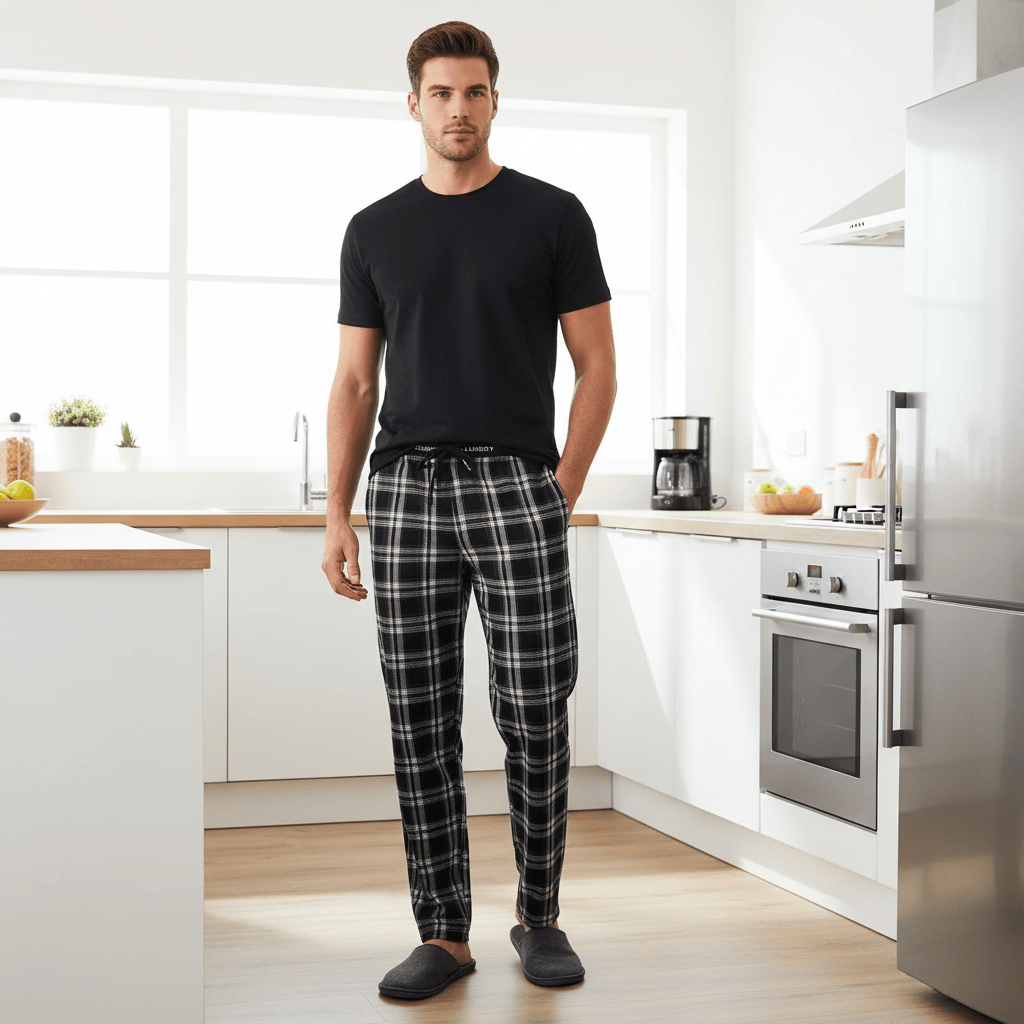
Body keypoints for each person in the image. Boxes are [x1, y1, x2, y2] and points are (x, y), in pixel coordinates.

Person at [324, 19, 617, 1001]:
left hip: (513, 484)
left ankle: (539, 915)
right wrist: (337, 513)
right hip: (405, 491)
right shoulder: (373, 229)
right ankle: (442, 932)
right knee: (420, 716)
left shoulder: (553, 216)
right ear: (414, 103)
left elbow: (597, 367)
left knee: (535, 707)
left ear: (496, 100)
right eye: (442, 93)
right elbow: (354, 383)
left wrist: (560, 487)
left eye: (475, 92)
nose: (459, 108)